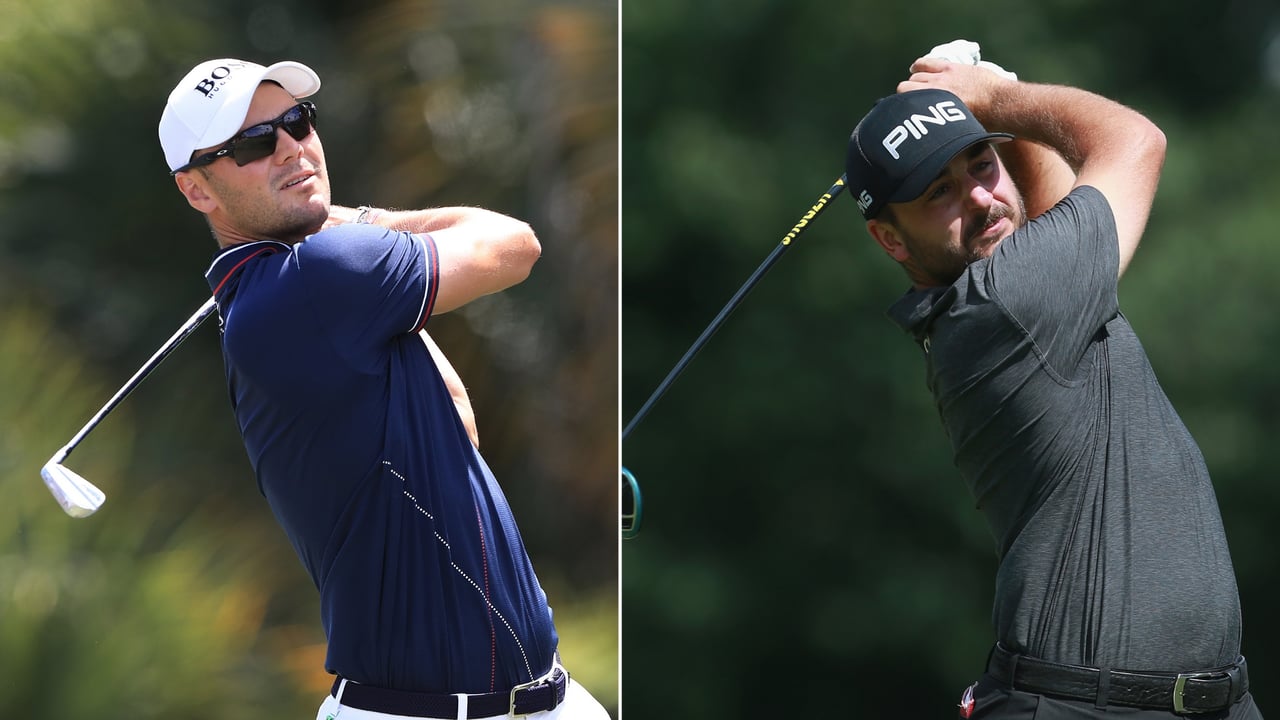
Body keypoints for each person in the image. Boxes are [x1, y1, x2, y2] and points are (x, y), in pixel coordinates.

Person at [158, 58, 610, 720]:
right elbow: (514, 244)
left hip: (546, 699)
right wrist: (351, 217)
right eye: (255, 145)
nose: (292, 149)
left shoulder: (299, 290)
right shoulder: (314, 279)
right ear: (198, 191)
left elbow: (459, 418)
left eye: (297, 122)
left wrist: (319, 217)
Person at [843, 49, 1263, 719]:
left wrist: (993, 107)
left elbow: (1057, 210)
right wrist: (996, 97)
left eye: (981, 164)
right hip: (1081, 706)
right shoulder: (1005, 305)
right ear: (891, 240)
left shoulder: (1027, 293)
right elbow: (1136, 141)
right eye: (938, 194)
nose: (979, 198)